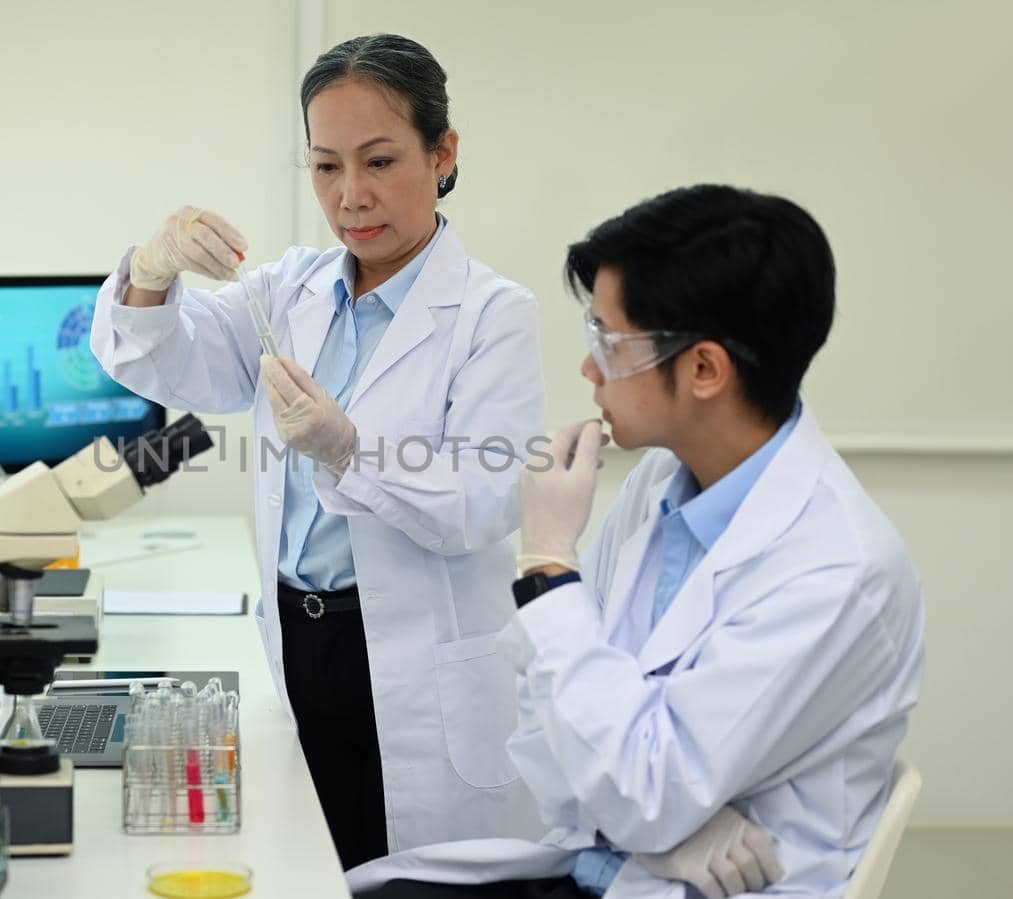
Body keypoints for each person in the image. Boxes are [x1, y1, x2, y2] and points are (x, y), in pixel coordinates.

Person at [347, 184, 925, 898]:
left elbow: (642, 791)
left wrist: (550, 570)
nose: (589, 368)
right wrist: (648, 822)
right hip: (604, 870)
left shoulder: (838, 569)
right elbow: (541, 732)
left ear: (705, 369)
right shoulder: (661, 483)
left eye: (609, 342)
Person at [89, 34, 546, 868]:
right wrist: (154, 269)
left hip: (416, 660)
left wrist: (350, 450)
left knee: (411, 874)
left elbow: (485, 502)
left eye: (379, 161)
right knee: (305, 864)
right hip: (300, 641)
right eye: (326, 166)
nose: (351, 196)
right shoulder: (285, 291)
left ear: (443, 153)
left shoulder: (490, 315)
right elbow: (159, 360)